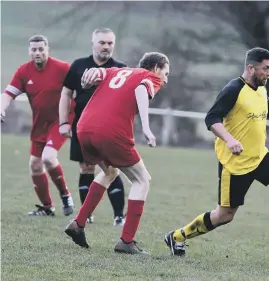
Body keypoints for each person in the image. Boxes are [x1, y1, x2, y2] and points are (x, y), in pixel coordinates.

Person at [164, 47, 269, 257]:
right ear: (251, 68)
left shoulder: (260, 88)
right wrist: (229, 140)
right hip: (235, 164)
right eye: (266, 68)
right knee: (224, 216)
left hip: (260, 157)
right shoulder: (233, 90)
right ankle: (177, 236)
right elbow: (211, 118)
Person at [63, 52, 169, 255]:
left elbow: (93, 75)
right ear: (156, 68)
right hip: (110, 132)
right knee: (142, 180)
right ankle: (126, 241)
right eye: (166, 72)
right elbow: (141, 89)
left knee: (111, 172)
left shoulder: (117, 71)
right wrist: (146, 128)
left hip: (85, 128)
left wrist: (88, 79)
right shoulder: (150, 77)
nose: (166, 78)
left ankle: (78, 224)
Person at [59, 28, 127, 226]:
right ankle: (87, 215)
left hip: (109, 129)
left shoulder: (120, 69)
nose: (106, 47)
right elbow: (65, 94)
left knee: (112, 169)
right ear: (93, 43)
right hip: (82, 126)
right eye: (102, 42)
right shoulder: (79, 65)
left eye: (110, 43)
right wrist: (63, 122)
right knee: (86, 168)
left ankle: (118, 216)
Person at [1, 35, 74, 216]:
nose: (37, 53)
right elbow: (8, 94)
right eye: (34, 50)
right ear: (29, 51)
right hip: (40, 124)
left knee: (49, 157)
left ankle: (65, 194)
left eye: (41, 49)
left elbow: (81, 88)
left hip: (61, 121)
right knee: (35, 165)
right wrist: (1, 109)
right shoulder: (24, 71)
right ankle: (48, 207)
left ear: (47, 49)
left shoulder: (63, 68)